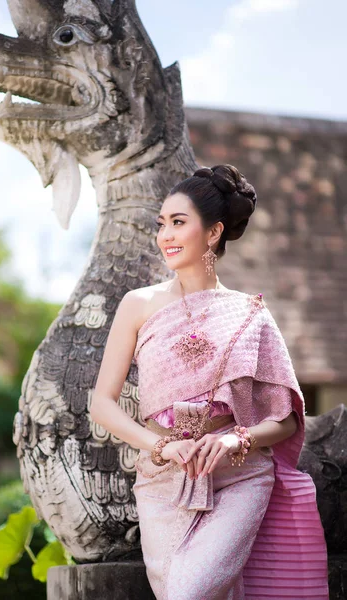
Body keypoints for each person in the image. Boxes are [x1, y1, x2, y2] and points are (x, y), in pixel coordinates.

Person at [90, 164, 329, 600]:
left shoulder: (250, 313)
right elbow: (101, 405)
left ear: (214, 231)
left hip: (239, 477)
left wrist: (234, 441)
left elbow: (288, 420)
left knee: (188, 592)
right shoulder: (137, 305)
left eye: (179, 223)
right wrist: (163, 446)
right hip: (163, 479)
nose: (165, 235)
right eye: (161, 224)